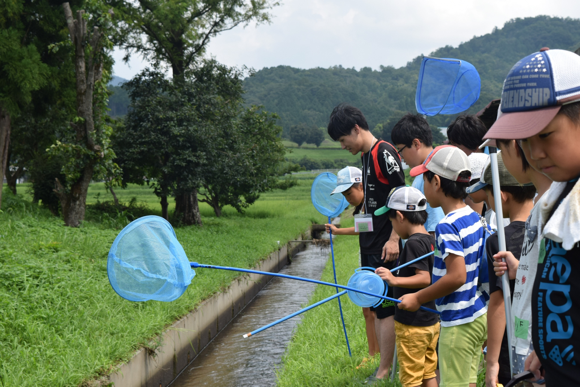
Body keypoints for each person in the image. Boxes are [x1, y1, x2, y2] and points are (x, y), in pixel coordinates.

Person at [483, 48, 580, 385]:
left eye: (546, 135)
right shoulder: (559, 196)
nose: (535, 152)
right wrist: (548, 346)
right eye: (525, 139)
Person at [398, 145, 488, 387]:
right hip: (478, 313)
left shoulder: (446, 226)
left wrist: (418, 297)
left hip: (458, 320)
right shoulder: (474, 217)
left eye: (424, 179)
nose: (423, 187)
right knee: (467, 380)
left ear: (436, 182)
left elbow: (456, 276)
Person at [327, 103, 406, 380]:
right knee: (378, 307)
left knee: (384, 309)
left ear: (356, 129)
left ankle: (384, 371)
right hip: (371, 245)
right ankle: (386, 366)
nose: (342, 145)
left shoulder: (383, 151)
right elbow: (372, 211)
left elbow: (401, 194)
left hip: (385, 246)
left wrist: (395, 238)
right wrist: (341, 232)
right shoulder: (366, 156)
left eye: (342, 139)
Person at [488, 137, 552, 379]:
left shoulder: (555, 209)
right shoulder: (538, 208)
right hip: (527, 343)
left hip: (541, 348)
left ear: (516, 146)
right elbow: (545, 264)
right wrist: (521, 269)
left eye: (501, 149)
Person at [473, 155, 535, 386]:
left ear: (501, 196)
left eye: (487, 193)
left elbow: (498, 303)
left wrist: (492, 362)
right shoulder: (545, 230)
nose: (486, 200)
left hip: (514, 342)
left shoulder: (499, 242)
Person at [374, 186, 439, 387]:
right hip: (430, 321)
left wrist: (394, 280)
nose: (392, 224)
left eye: (391, 220)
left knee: (411, 378)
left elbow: (424, 278)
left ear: (400, 216)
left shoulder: (413, 243)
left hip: (413, 324)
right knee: (429, 372)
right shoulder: (430, 239)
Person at [324, 166, 380, 358]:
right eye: (345, 196)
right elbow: (362, 227)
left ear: (361, 186)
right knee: (367, 311)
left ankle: (377, 354)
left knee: (376, 311)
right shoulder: (363, 206)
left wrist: (338, 231)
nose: (348, 198)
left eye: (349, 193)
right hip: (365, 258)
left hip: (375, 260)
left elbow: (364, 227)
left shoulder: (373, 203)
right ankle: (373, 353)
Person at [391, 113, 445, 235]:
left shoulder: (429, 177)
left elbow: (435, 227)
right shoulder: (428, 172)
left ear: (416, 144)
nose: (401, 156)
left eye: (401, 149)